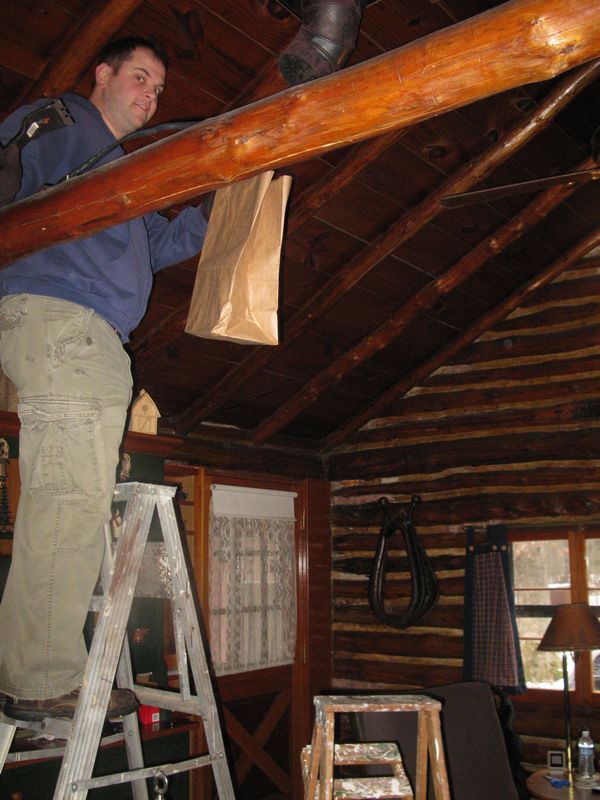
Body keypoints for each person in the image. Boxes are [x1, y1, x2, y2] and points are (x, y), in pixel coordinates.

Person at [0, 37, 209, 720]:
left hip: (83, 334)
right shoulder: (63, 126)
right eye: (140, 78)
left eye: (159, 88)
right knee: (68, 503)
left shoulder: (118, 168)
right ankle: (40, 680)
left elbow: (159, 245)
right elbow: (8, 172)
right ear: (102, 74)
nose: (151, 95)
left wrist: (217, 209)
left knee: (69, 501)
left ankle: (33, 670)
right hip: (66, 322)